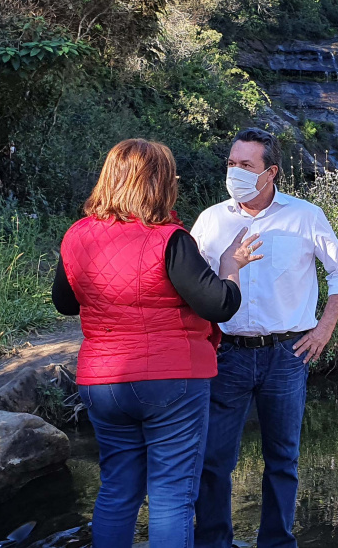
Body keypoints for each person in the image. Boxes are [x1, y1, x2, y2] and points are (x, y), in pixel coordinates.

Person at [52, 138, 264, 548]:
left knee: (116, 490)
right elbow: (220, 304)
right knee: (171, 496)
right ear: (159, 184)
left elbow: (65, 303)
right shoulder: (170, 239)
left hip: (103, 382)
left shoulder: (77, 235)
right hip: (173, 382)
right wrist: (229, 266)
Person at [192, 128, 338, 548]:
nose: (235, 172)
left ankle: (277, 543)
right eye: (231, 163)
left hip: (287, 354)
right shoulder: (211, 220)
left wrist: (324, 328)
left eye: (246, 165)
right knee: (214, 461)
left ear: (271, 172)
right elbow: (191, 285)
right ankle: (214, 543)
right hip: (226, 354)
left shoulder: (304, 216)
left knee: (282, 460)